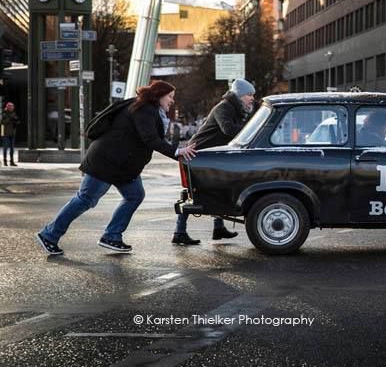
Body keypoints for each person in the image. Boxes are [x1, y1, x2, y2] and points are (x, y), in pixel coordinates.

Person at [36, 81, 197, 256]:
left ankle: (112, 236)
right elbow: (150, 139)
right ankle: (49, 235)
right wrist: (178, 151)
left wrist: (177, 152)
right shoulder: (144, 109)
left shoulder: (145, 108)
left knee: (134, 195)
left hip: (123, 166)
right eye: (170, 96)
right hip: (106, 162)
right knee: (85, 199)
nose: (172, 101)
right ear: (159, 95)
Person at [172, 78, 256, 245]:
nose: (252, 98)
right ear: (239, 95)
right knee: (193, 192)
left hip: (208, 155)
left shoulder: (236, 109)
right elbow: (228, 129)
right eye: (249, 95)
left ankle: (218, 228)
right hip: (196, 154)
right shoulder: (224, 107)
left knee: (216, 189)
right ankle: (179, 232)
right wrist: (252, 130)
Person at [1, 102, 21, 166]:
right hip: (5, 133)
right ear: (7, 107)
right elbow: (2, 122)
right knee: (5, 148)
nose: (12, 108)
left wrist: (17, 121)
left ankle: (11, 161)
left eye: (13, 106)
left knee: (12, 148)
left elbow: (16, 120)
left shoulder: (13, 113)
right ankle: (5, 161)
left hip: (12, 133)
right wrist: (9, 119)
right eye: (11, 107)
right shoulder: (3, 113)